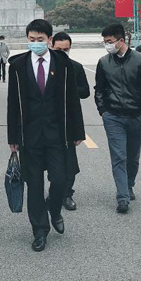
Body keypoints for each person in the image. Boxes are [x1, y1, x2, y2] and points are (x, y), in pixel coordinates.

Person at [7, 19, 85, 252]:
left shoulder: (63, 64)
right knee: (34, 185)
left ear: (49, 40)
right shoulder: (18, 66)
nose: (35, 43)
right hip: (30, 136)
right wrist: (13, 136)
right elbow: (13, 103)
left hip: (57, 134)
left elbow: (72, 100)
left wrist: (77, 131)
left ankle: (54, 208)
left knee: (60, 179)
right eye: (31, 39)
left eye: (40, 39)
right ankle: (39, 230)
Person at [95, 23, 141, 214]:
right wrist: (103, 111)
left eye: (110, 41)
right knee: (118, 156)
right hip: (113, 116)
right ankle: (122, 197)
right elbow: (99, 89)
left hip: (136, 116)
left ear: (121, 41)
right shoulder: (104, 62)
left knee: (132, 156)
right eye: (105, 42)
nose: (107, 45)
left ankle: (129, 184)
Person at [51, 31, 90, 212]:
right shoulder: (43, 67)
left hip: (68, 121)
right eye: (59, 50)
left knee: (69, 161)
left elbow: (85, 92)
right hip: (47, 121)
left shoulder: (76, 67)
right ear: (51, 46)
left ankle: (67, 193)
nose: (62, 53)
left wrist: (69, 87)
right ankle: (53, 192)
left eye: (66, 50)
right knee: (49, 161)